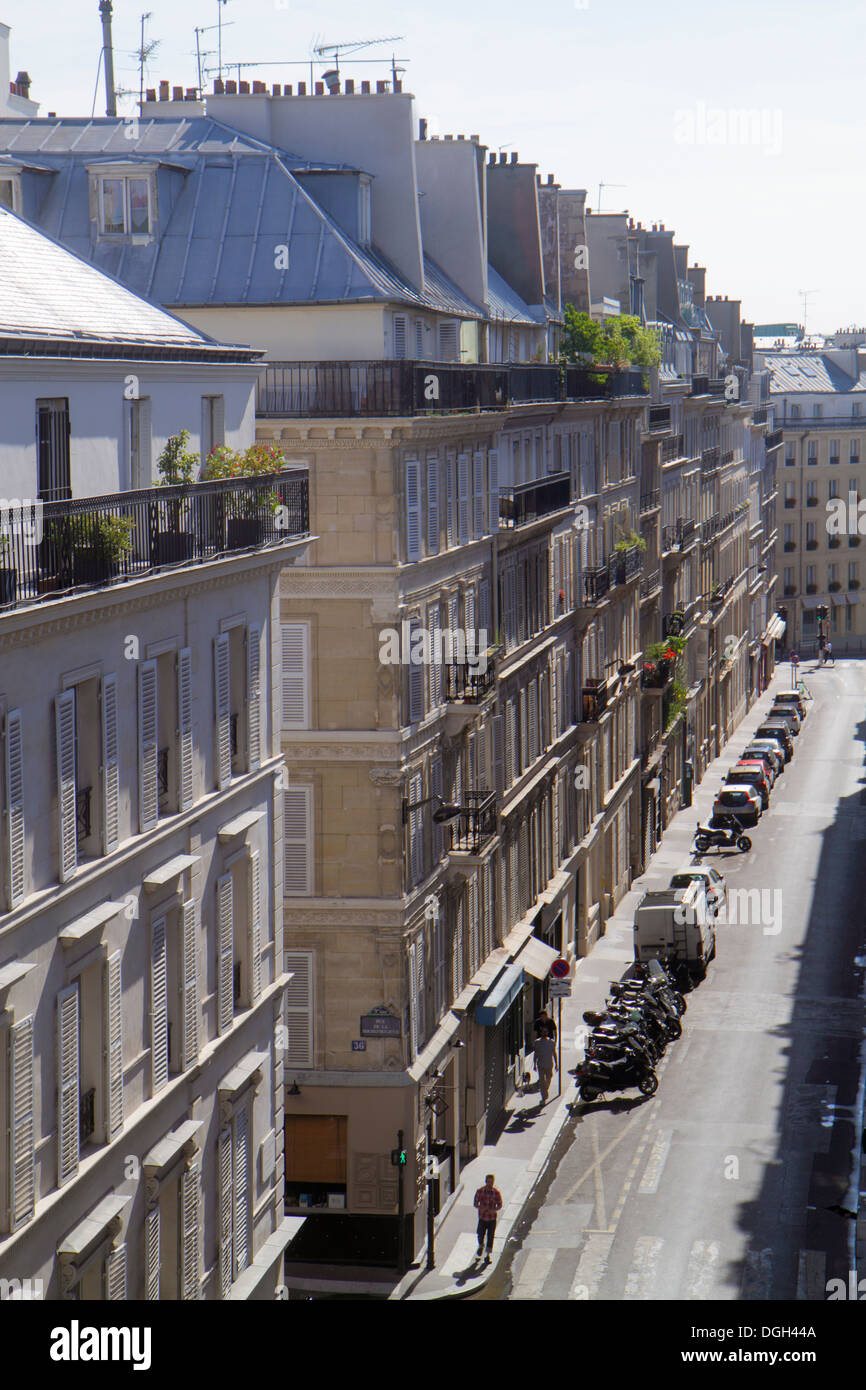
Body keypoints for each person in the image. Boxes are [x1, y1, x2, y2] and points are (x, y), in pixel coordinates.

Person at [473, 1174, 503, 1261]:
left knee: (490, 1236)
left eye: (492, 1182)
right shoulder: (480, 1191)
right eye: (489, 1182)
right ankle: (481, 1245)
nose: (490, 1184)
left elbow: (500, 1205)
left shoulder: (496, 1193)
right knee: (480, 1234)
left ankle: (487, 1255)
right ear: (486, 1182)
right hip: (482, 1217)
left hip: (492, 1218)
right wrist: (480, 1208)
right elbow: (475, 1203)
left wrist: (494, 1210)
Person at [533, 1030, 557, 1104]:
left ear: (547, 1033)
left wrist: (557, 1064)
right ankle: (544, 1097)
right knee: (542, 1081)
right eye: (543, 1031)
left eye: (545, 1032)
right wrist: (534, 1064)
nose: (544, 1033)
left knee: (549, 1079)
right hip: (541, 1065)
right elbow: (536, 1054)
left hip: (549, 1065)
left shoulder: (551, 1042)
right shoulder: (537, 1042)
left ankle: (544, 1091)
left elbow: (554, 1053)